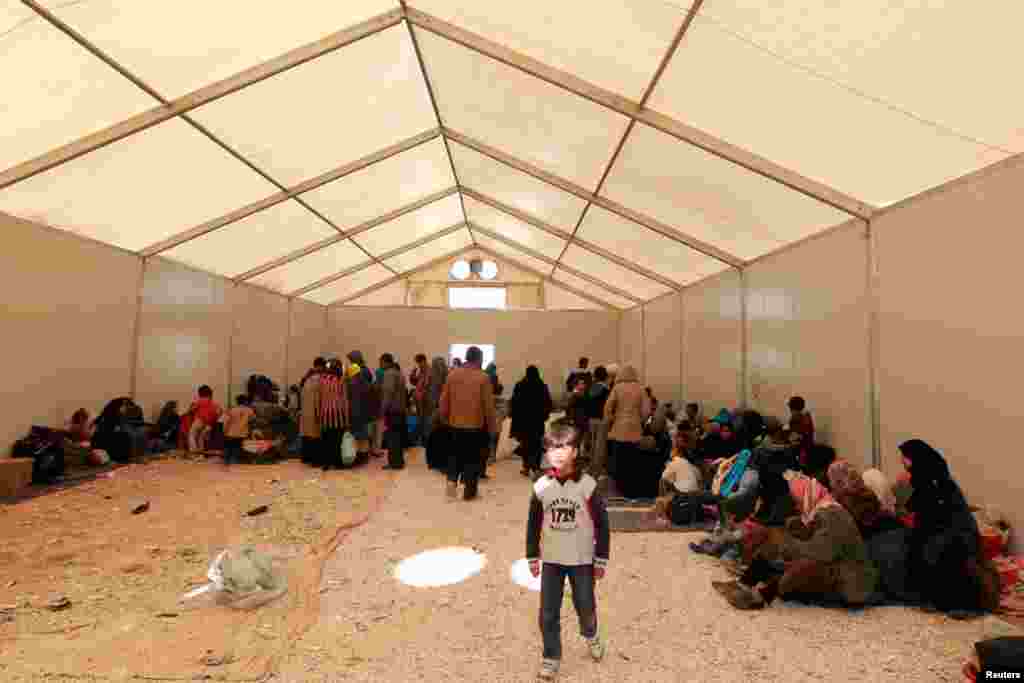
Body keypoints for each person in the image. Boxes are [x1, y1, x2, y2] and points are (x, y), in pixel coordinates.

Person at [526, 418, 609, 680]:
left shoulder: (587, 486)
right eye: (552, 448)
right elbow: (533, 523)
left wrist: (601, 559)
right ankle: (551, 656)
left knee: (585, 605)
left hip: (582, 560)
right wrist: (532, 554)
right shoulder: (541, 487)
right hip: (552, 559)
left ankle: (592, 633)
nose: (557, 453)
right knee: (547, 612)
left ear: (575, 451)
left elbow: (602, 524)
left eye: (564, 447)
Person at [900, 439, 1000, 615]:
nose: (902, 462)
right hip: (947, 532)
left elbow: (922, 508)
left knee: (935, 555)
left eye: (904, 457)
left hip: (950, 534)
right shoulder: (935, 476)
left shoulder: (929, 480)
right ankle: (945, 602)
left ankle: (953, 604)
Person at [439, 346, 497, 500]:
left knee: (454, 455)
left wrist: (444, 418)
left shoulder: (452, 375)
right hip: (475, 426)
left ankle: (451, 484)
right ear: (478, 359)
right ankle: (469, 491)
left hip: (454, 424)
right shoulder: (483, 378)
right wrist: (492, 427)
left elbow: (444, 400)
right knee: (472, 458)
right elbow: (488, 406)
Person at [603, 365, 650, 496]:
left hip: (618, 430)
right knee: (633, 463)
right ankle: (632, 489)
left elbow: (607, 408)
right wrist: (640, 421)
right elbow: (646, 411)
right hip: (635, 431)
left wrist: (612, 419)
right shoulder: (640, 389)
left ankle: (619, 489)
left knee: (619, 461)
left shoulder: (617, 388)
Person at [509, 366, 554, 479]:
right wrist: (545, 416)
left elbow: (514, 402)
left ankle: (526, 467)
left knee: (525, 444)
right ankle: (536, 467)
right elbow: (548, 403)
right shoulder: (542, 386)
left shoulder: (520, 385)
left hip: (523, 421)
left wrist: (515, 417)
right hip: (537, 421)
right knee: (536, 444)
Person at [345, 351, 376, 463]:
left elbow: (366, 387)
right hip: (357, 405)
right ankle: (360, 454)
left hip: (361, 405)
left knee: (361, 431)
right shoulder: (360, 370)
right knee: (358, 430)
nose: (351, 362)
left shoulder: (363, 371)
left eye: (352, 360)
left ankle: (362, 454)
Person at [318, 361, 348, 470]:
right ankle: (337, 463)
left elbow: (320, 397)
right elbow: (344, 400)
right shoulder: (341, 380)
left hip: (325, 413)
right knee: (337, 440)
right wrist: (347, 417)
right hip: (338, 414)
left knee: (327, 440)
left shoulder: (323, 380)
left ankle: (326, 463)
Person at [379, 353, 406, 470]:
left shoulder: (389, 374)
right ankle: (399, 462)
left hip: (393, 411)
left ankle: (394, 463)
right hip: (400, 410)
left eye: (381, 362)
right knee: (398, 437)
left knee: (392, 438)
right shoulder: (399, 373)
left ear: (386, 362)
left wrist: (382, 409)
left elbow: (388, 394)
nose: (380, 365)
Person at [584, 366, 612, 479]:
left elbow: (586, 404)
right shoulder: (606, 390)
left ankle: (591, 467)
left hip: (591, 419)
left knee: (593, 444)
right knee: (600, 446)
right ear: (605, 376)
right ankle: (598, 470)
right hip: (602, 420)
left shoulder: (590, 388)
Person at [425, 357, 449, 471]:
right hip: (443, 413)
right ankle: (441, 462)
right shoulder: (448, 376)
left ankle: (436, 462)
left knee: (436, 438)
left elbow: (432, 396)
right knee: (442, 438)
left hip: (437, 412)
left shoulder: (433, 377)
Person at [300, 358, 325, 464]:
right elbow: (319, 398)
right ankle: (315, 460)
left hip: (305, 412)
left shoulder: (307, 378)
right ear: (320, 366)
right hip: (314, 411)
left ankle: (306, 458)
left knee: (306, 435)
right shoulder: (319, 379)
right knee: (315, 436)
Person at [221, 395, 254, 466]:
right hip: (243, 434)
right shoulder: (250, 410)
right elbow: (252, 421)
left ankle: (227, 462)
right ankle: (237, 462)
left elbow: (226, 422)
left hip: (231, 433)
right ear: (245, 401)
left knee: (228, 449)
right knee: (238, 449)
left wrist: (224, 431)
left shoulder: (231, 410)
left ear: (237, 401)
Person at [188, 385, 222, 453]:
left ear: (200, 393)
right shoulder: (213, 403)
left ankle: (193, 450)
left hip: (199, 420)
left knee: (191, 434)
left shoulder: (200, 401)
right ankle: (201, 451)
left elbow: (192, 409)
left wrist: (191, 409)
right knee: (201, 437)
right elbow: (219, 412)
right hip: (209, 423)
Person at [787, 396, 815, 467]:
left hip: (801, 450)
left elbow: (795, 438)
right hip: (808, 448)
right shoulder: (806, 416)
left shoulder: (796, 418)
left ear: (791, 407)